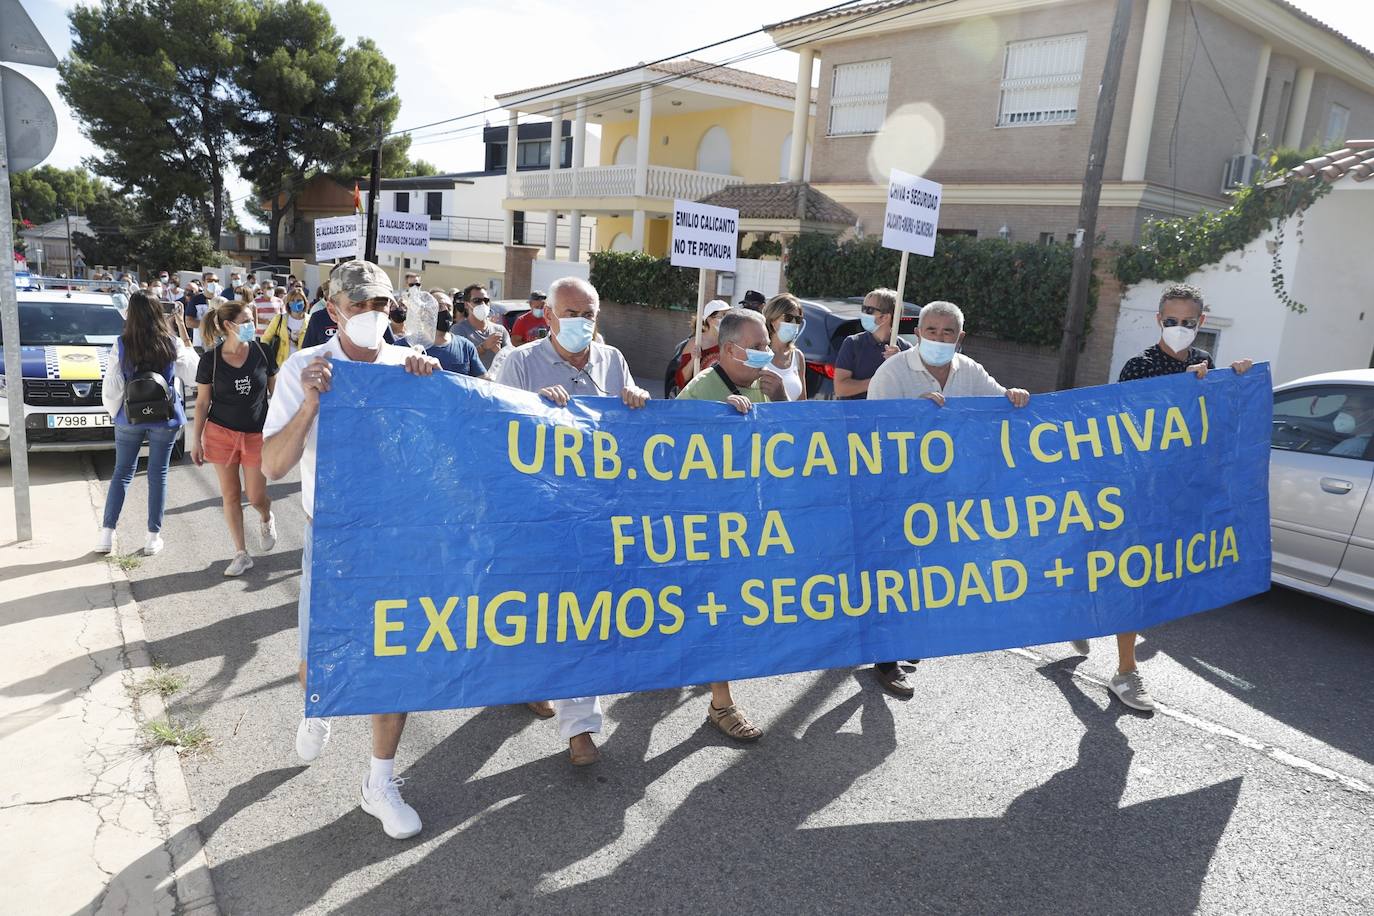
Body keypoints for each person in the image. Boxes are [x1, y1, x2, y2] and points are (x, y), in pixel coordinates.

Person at [261, 260, 440, 840]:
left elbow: (448, 450)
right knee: (316, 662)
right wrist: (311, 404)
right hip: (335, 539)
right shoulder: (302, 369)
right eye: (357, 304)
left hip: (399, 540)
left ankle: (378, 784)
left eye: (379, 304)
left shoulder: (409, 367)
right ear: (333, 311)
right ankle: (319, 705)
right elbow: (272, 465)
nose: (369, 314)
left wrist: (434, 393)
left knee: (397, 662)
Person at [494, 276, 650, 766]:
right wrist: (534, 409)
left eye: (590, 314)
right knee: (539, 608)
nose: (582, 322)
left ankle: (580, 727)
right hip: (539, 510)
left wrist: (635, 400)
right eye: (572, 314)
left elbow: (625, 422)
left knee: (581, 612)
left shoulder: (613, 360)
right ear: (548, 316)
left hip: (596, 510)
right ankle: (534, 679)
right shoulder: (520, 363)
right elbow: (495, 427)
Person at [1075, 283, 1253, 712]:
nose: (1179, 327)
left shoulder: (1205, 362)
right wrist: (1183, 388)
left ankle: (1080, 613)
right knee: (1134, 577)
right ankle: (1126, 671)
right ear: (1159, 320)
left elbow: (1212, 423)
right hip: (1137, 491)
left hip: (1178, 494)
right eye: (1171, 320)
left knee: (1141, 577)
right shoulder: (1139, 366)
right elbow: (1127, 428)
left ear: (1201, 322)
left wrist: (1235, 381)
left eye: (1187, 321)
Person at [867, 300, 1031, 698]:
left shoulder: (969, 370)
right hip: (898, 494)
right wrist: (913, 415)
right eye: (932, 330)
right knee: (896, 575)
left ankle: (907, 639)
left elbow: (998, 404)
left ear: (960, 337)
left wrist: (1014, 396)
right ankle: (885, 661)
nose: (939, 338)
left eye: (948, 332)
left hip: (947, 496)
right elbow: (871, 432)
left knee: (931, 572)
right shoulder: (892, 372)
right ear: (917, 333)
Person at [674, 307, 777, 740]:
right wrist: (716, 422)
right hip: (708, 527)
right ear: (731, 350)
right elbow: (669, 458)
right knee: (718, 611)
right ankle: (721, 703)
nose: (767, 351)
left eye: (767, 343)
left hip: (746, 522)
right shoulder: (701, 392)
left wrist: (779, 402)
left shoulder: (761, 388)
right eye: (758, 346)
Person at [96, 292, 199, 556]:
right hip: (164, 417)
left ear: (131, 313)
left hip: (129, 416)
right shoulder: (171, 342)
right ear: (157, 312)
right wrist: (183, 334)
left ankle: (106, 534)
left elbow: (112, 385)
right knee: (158, 474)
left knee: (121, 472)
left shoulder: (122, 343)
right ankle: (153, 537)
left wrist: (116, 413)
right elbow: (193, 375)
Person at [192, 300, 278, 576]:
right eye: (247, 320)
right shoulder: (211, 360)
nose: (253, 325)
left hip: (257, 434)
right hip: (221, 433)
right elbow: (202, 403)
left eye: (252, 319)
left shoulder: (263, 352)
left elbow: (277, 395)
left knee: (255, 496)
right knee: (230, 494)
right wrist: (196, 440)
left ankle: (266, 516)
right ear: (229, 325)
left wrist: (283, 430)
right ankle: (241, 553)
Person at [834, 287, 912, 399]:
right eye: (863, 308)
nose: (863, 313)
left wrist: (899, 364)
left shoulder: (905, 349)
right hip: (858, 410)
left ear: (885, 317)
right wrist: (877, 382)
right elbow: (840, 389)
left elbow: (912, 389)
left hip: (890, 409)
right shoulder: (853, 343)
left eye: (869, 310)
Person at [761, 294, 809, 401]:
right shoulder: (759, 354)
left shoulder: (797, 356)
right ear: (772, 320)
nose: (794, 324)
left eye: (798, 319)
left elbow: (802, 403)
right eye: (788, 318)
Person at [675, 298, 730, 391]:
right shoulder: (696, 342)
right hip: (700, 393)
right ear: (710, 319)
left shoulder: (730, 341)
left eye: (728, 316)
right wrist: (693, 359)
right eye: (722, 316)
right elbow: (682, 379)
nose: (727, 320)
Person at [426, 294, 486, 377]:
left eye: (449, 308)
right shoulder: (412, 345)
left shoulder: (465, 346)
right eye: (440, 307)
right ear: (426, 312)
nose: (446, 311)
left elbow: (483, 379)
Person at [455, 284, 510, 371]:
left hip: (496, 378)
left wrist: (499, 352)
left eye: (486, 300)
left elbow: (511, 358)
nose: (483, 304)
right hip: (471, 379)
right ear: (466, 304)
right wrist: (484, 347)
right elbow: (459, 360)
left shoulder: (500, 330)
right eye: (477, 301)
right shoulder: (458, 330)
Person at [261, 288, 311, 367]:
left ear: (304, 302)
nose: (295, 303)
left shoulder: (310, 320)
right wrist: (268, 357)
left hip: (303, 365)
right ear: (288, 303)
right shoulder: (279, 319)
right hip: (281, 365)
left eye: (299, 300)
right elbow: (265, 339)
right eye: (292, 300)